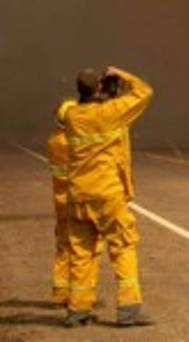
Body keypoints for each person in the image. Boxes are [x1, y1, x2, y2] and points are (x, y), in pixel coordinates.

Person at [63, 66, 153, 328]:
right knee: (123, 245)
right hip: (106, 193)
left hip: (78, 195)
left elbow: (82, 112)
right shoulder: (110, 114)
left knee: (81, 253)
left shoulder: (71, 116)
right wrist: (121, 75)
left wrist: (103, 94)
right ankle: (128, 310)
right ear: (100, 88)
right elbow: (145, 92)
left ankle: (78, 310)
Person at [45, 98, 77, 306]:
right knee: (82, 249)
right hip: (78, 200)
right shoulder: (76, 142)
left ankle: (59, 291)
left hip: (61, 201)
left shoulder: (54, 141)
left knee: (63, 246)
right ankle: (79, 295)